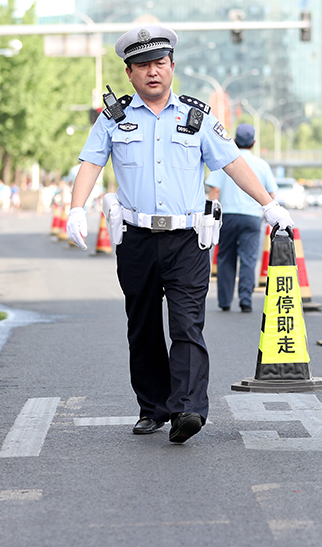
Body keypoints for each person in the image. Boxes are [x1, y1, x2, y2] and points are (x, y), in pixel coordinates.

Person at [65, 24, 293, 444]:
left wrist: (268, 203)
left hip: (187, 240)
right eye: (142, 66)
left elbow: (232, 162)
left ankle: (188, 409)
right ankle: (153, 409)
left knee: (188, 324)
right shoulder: (113, 119)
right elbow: (91, 164)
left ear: (172, 67)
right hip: (136, 239)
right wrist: (76, 208)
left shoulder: (198, 117)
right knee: (144, 326)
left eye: (159, 63)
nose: (152, 72)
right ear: (130, 73)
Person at [205, 124, 278, 313]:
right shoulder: (262, 165)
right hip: (252, 218)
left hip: (227, 217)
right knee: (248, 259)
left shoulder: (226, 162)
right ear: (254, 143)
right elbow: (270, 194)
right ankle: (245, 300)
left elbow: (214, 191)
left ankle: (225, 301)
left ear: (235, 141)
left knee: (225, 258)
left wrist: (210, 218)